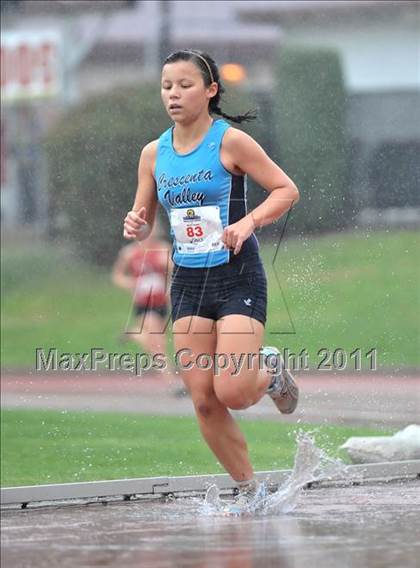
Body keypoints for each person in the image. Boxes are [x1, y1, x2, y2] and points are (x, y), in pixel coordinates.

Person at [123, 49, 300, 514]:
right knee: (203, 400)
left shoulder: (230, 142)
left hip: (236, 273)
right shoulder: (152, 154)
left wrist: (248, 223)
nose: (174, 94)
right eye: (167, 86)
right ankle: (250, 491)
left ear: (210, 91)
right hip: (188, 284)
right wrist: (137, 226)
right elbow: (145, 216)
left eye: (184, 85)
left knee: (235, 392)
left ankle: (272, 372)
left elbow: (286, 190)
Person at [112, 223, 182, 392]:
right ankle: (172, 382)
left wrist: (168, 277)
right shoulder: (129, 253)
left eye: (151, 232)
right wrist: (130, 282)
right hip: (143, 304)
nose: (148, 237)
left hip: (161, 303)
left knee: (156, 342)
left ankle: (134, 334)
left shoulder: (164, 250)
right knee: (157, 344)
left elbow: (178, 272)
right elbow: (117, 276)